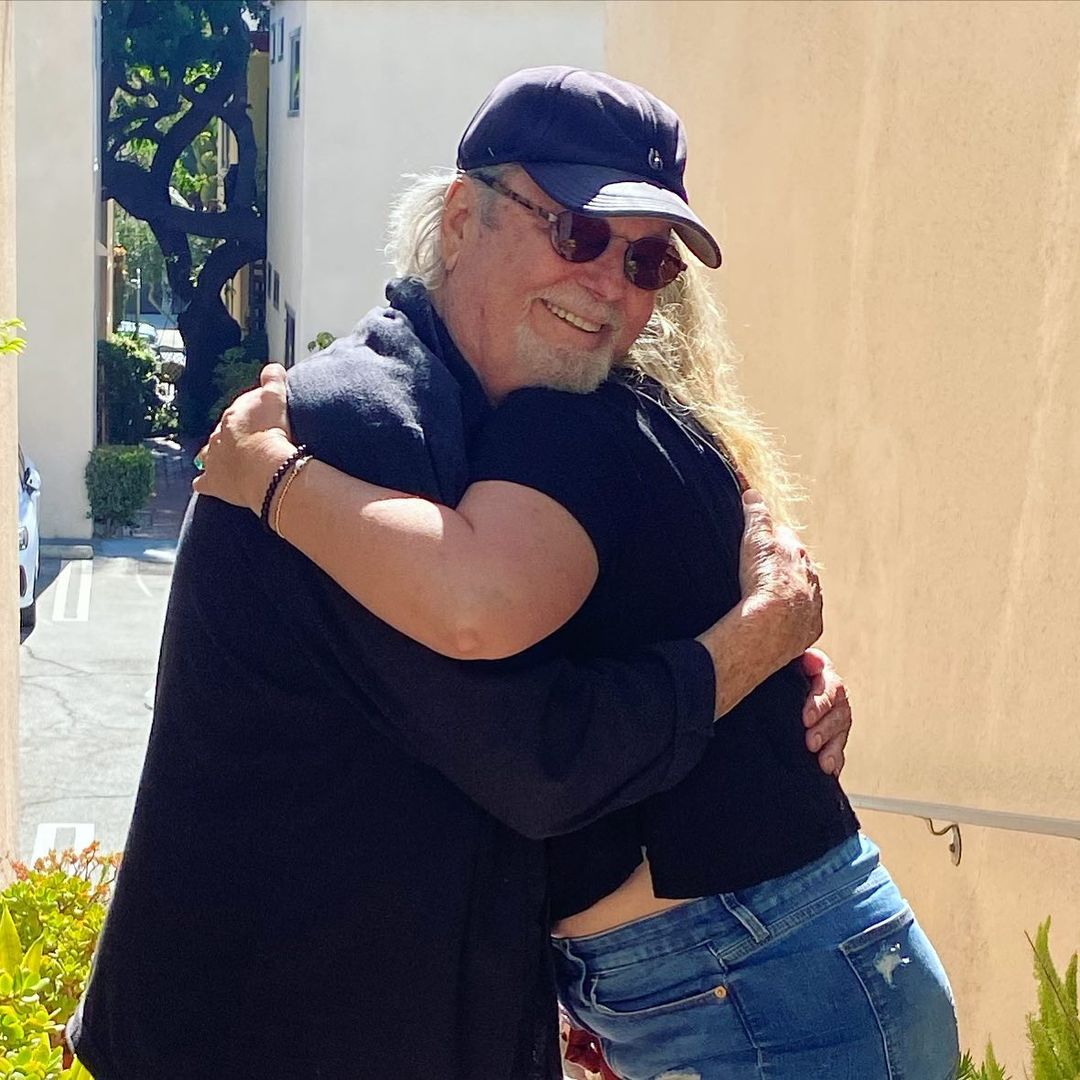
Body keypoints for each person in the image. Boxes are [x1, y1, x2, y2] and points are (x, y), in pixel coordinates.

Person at [68, 72, 852, 1080]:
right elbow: (542, 760)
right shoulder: (365, 429)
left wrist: (790, 688)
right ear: (460, 214)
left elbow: (603, 680)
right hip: (265, 1041)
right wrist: (753, 643)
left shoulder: (520, 452)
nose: (610, 283)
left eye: (647, 258)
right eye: (574, 229)